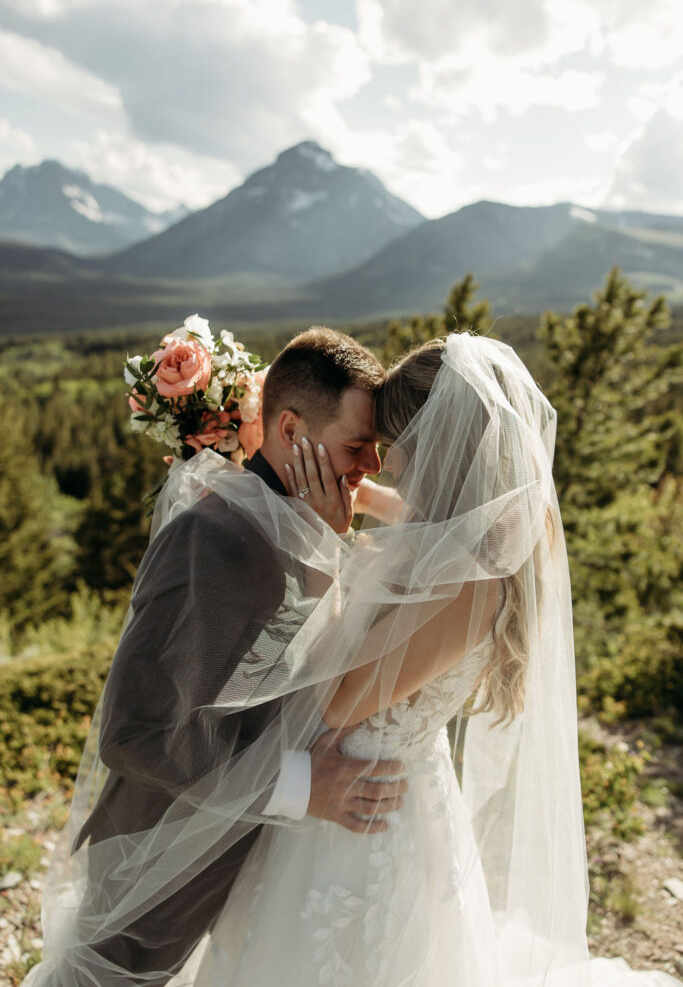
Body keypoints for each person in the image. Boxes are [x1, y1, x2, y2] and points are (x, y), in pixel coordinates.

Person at [186, 333, 678, 987]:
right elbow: (406, 512)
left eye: (400, 450)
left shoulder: (471, 588)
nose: (387, 468)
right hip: (354, 792)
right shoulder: (481, 533)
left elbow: (337, 699)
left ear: (447, 452)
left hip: (366, 818)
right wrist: (323, 482)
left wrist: (324, 550)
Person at [24, 327, 409, 987]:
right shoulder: (214, 537)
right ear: (290, 428)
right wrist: (297, 786)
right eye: (356, 445)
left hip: (238, 878)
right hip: (156, 879)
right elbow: (134, 734)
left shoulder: (303, 526)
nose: (369, 466)